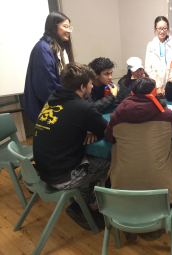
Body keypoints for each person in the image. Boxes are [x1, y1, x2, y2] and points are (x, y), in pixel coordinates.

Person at [104, 77, 172, 242]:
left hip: (122, 190)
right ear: (155, 93)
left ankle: (129, 225)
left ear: (132, 93)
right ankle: (156, 226)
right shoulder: (166, 114)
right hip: (163, 189)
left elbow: (109, 138)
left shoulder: (117, 115)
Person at [33, 62, 110, 230]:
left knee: (92, 159)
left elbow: (66, 124)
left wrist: (87, 130)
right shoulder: (82, 107)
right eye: (90, 83)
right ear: (82, 87)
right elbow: (107, 131)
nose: (91, 86)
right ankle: (99, 208)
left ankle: (86, 202)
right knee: (111, 160)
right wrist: (91, 129)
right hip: (64, 177)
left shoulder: (52, 99)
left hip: (44, 173)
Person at [23, 11, 75, 123]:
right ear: (54, 27)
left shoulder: (53, 47)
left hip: (53, 107)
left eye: (69, 27)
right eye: (65, 26)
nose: (68, 30)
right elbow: (46, 88)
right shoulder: (43, 49)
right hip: (48, 111)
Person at [145, 16, 172, 95]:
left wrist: (169, 84)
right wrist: (157, 86)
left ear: (167, 28)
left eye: (164, 28)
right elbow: (148, 67)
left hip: (171, 83)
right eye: (159, 29)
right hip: (155, 84)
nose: (162, 31)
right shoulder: (151, 45)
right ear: (155, 29)